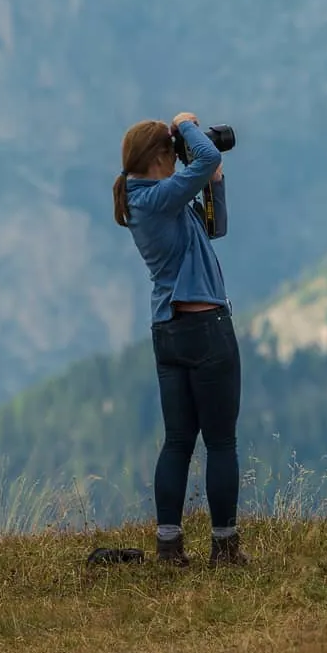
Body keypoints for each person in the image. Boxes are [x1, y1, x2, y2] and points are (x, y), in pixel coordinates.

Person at [114, 113, 247, 567]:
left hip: (169, 334)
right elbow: (206, 152)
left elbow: (214, 228)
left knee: (178, 442)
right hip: (205, 327)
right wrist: (187, 123)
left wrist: (215, 181)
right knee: (221, 442)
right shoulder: (155, 197)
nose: (177, 162)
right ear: (157, 158)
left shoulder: (149, 200)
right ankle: (224, 548)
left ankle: (169, 546)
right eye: (171, 154)